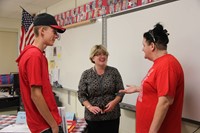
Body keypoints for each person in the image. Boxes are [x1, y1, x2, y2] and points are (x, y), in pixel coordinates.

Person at [119, 23, 184, 133]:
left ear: (152, 46)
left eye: (144, 45)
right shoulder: (160, 63)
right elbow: (158, 89)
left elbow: (165, 102)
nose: (142, 49)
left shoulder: (167, 65)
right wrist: (139, 88)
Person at [16, 13, 66, 133]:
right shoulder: (34, 55)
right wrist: (53, 125)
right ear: (42, 30)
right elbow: (36, 95)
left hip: (44, 123)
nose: (56, 36)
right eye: (54, 32)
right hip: (45, 125)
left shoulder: (35, 54)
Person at [78, 44, 124, 133]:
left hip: (112, 116)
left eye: (104, 54)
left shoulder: (114, 72)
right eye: (98, 54)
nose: (102, 56)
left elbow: (121, 91)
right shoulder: (86, 74)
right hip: (93, 117)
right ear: (92, 58)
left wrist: (114, 103)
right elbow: (81, 94)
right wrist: (89, 107)